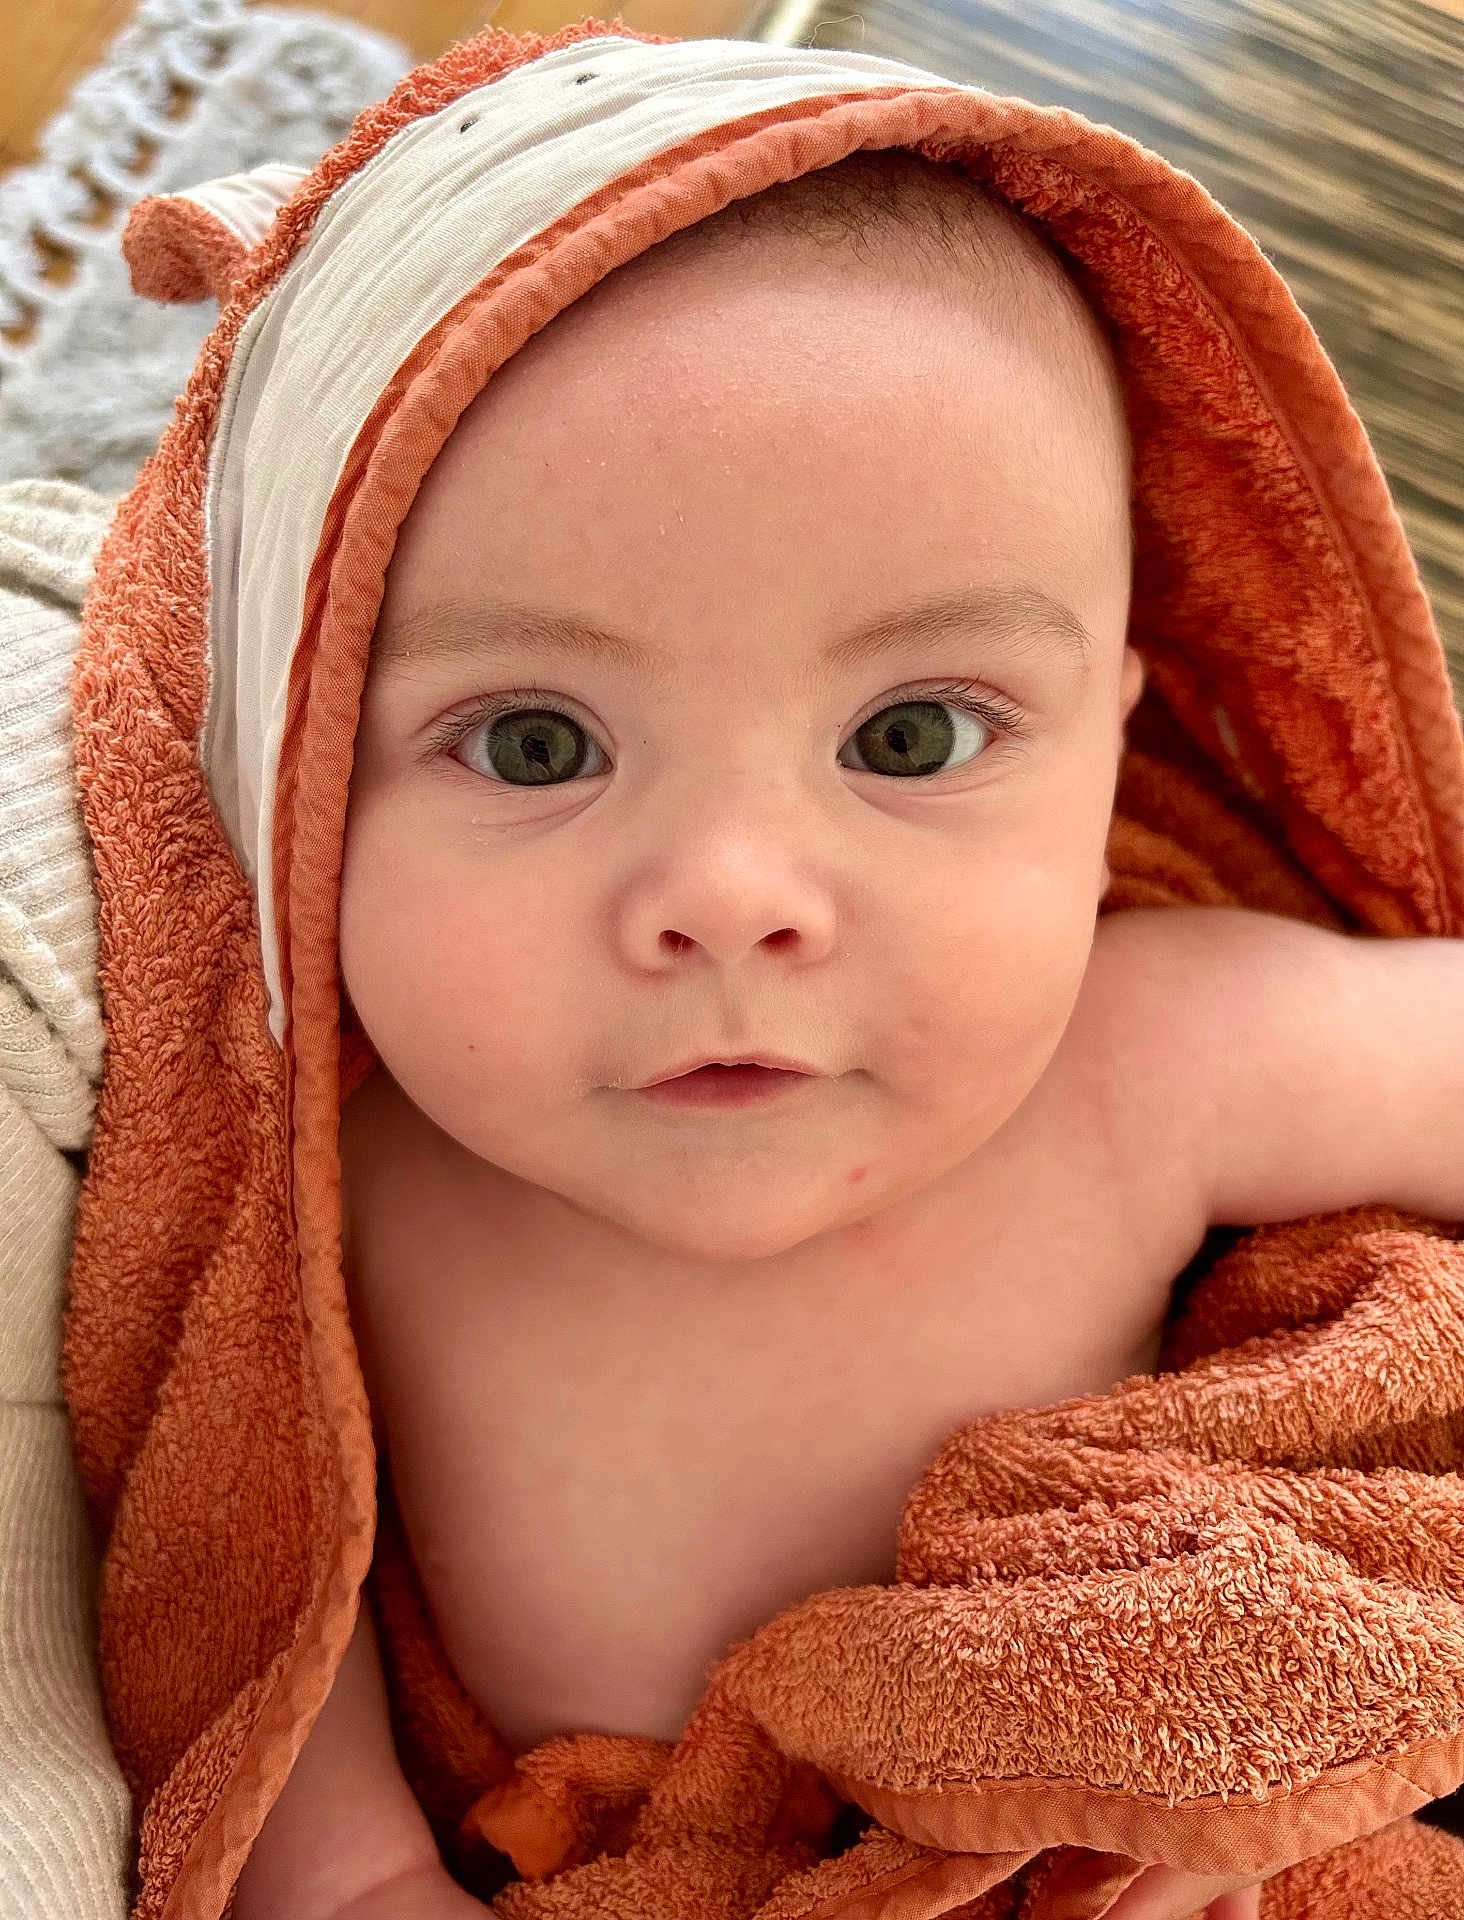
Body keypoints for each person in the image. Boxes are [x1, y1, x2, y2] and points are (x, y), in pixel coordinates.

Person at [17, 23, 1464, 1920]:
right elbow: (267, 1596)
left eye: (916, 737)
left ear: (1112, 747)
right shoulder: (316, 1192)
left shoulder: (1166, 1042)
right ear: (294, 783)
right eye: (536, 743)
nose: (733, 900)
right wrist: (363, 1879)